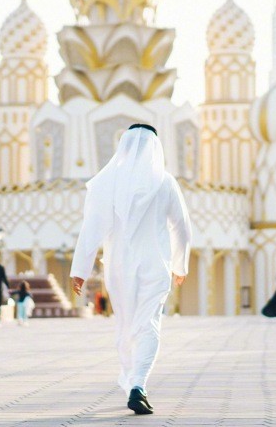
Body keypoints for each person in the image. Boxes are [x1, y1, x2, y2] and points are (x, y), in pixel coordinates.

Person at [70, 124, 193, 416]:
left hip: (120, 267)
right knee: (148, 323)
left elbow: (92, 228)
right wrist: (180, 264)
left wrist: (80, 270)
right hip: (156, 265)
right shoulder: (165, 182)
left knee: (126, 324)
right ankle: (137, 383)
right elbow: (182, 227)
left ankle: (133, 381)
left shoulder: (106, 184)